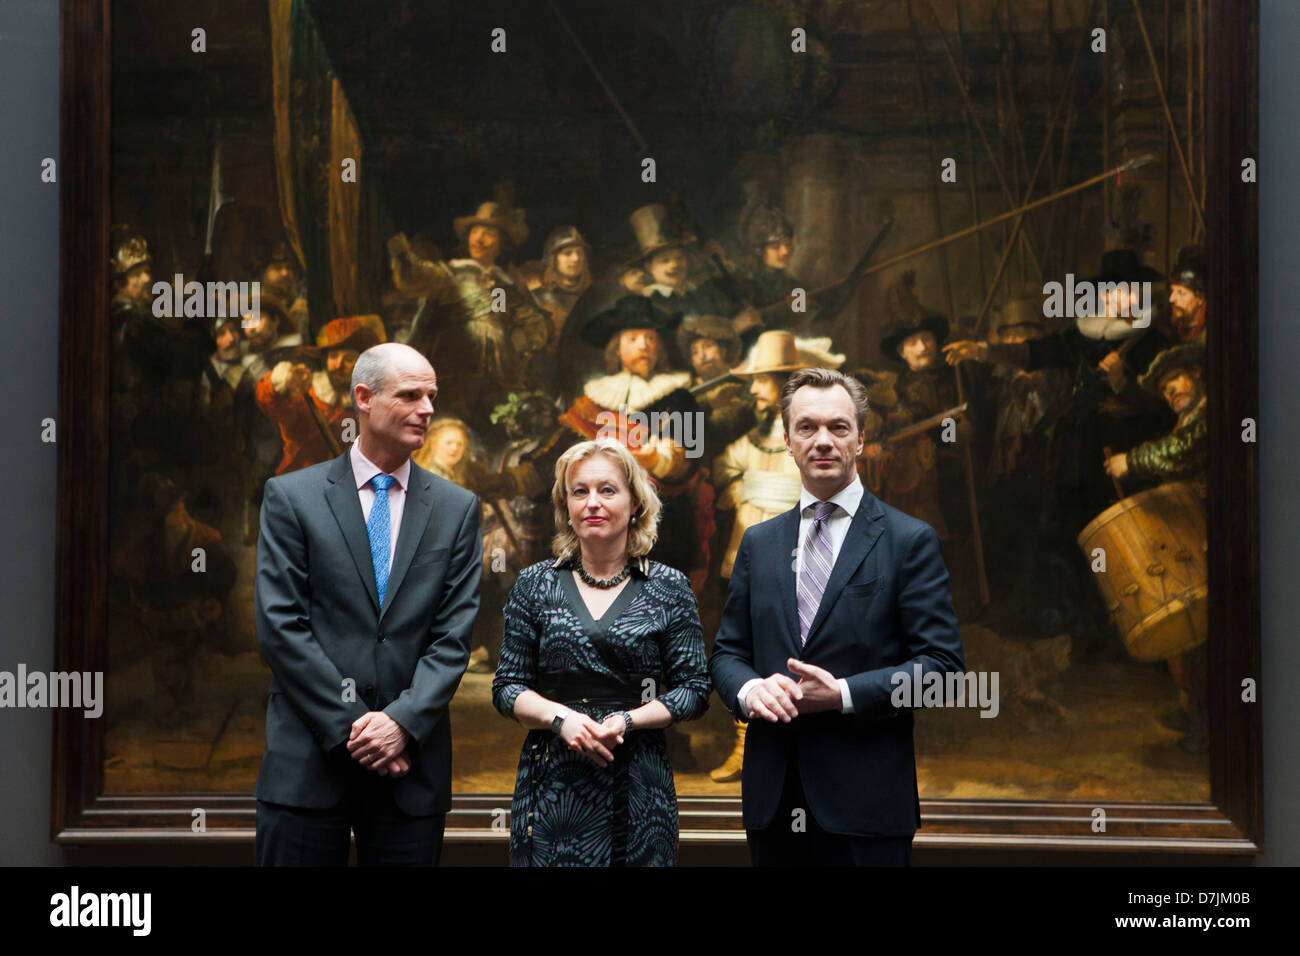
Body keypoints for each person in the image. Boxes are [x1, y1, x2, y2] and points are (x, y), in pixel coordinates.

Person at [710, 367, 964, 866]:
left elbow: (942, 671)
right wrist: (749, 690)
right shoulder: (758, 544)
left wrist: (843, 695)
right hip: (774, 806)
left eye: (838, 427)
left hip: (867, 810)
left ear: (861, 440)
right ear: (787, 441)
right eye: (807, 427)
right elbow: (727, 654)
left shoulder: (909, 540)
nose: (823, 441)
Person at [253, 342, 482, 866]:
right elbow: (279, 627)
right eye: (410, 395)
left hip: (410, 770)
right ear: (364, 398)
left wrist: (399, 723)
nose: (427, 409)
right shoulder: (292, 497)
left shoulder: (456, 509)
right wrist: (356, 725)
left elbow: (452, 639)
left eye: (432, 396)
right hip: (307, 763)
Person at [492, 438, 710, 866]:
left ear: (635, 504)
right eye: (580, 491)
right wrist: (562, 719)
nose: (593, 502)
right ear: (566, 507)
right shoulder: (535, 585)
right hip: (553, 785)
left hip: (639, 786)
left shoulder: (669, 587)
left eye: (608, 490)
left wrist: (629, 720)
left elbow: (695, 690)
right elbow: (507, 687)